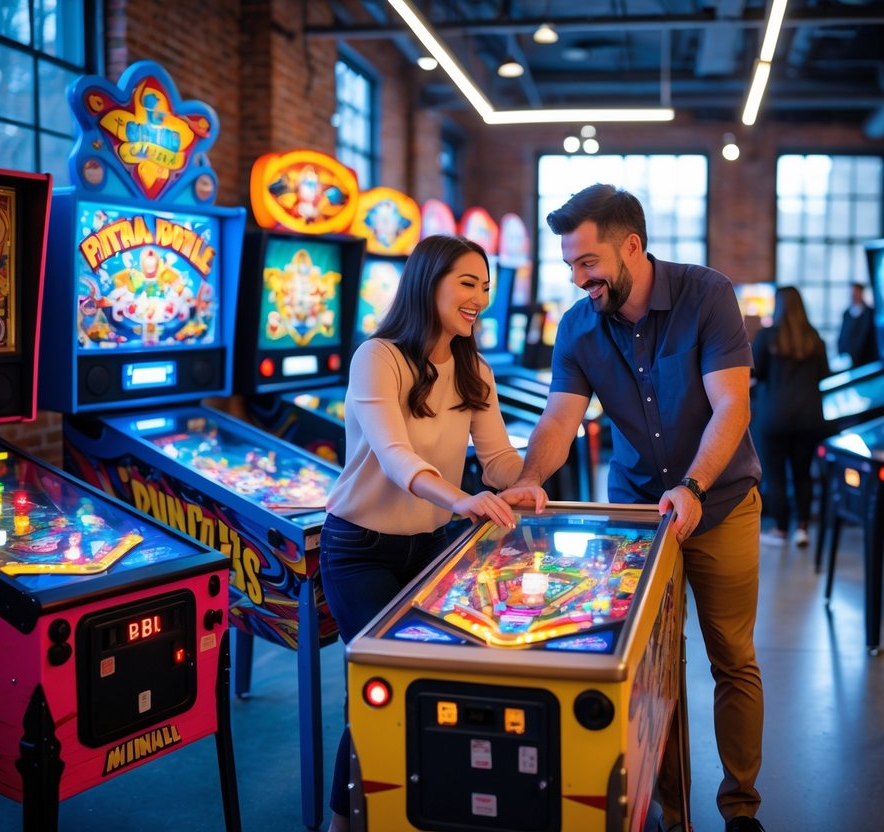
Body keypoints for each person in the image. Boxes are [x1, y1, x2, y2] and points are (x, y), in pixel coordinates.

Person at [500, 184, 766, 832]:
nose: (576, 277)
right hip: (639, 516)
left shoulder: (706, 294)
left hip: (721, 502)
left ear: (631, 247)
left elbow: (731, 404)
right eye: (568, 264)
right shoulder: (577, 325)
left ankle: (738, 806)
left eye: (585, 262)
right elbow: (561, 417)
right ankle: (672, 814)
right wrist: (533, 476)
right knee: (655, 666)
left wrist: (694, 488)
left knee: (730, 655)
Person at [318, 234, 545, 832]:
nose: (480, 298)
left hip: (432, 548)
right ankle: (343, 822)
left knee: (430, 684)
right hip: (359, 548)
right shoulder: (379, 356)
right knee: (377, 685)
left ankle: (415, 811)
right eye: (468, 283)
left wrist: (529, 481)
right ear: (429, 283)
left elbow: (496, 458)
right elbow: (395, 457)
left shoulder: (475, 367)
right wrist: (465, 499)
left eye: (486, 287)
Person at [752, 286, 830, 547]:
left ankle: (782, 530)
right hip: (809, 417)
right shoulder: (814, 337)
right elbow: (824, 375)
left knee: (775, 475)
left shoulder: (767, 337)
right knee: (803, 474)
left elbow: (756, 374)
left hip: (774, 417)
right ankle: (803, 528)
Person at [837, 280, 877, 367]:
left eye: (856, 292)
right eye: (853, 292)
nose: (854, 295)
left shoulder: (870, 313)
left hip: (864, 360)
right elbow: (842, 335)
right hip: (847, 358)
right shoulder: (847, 313)